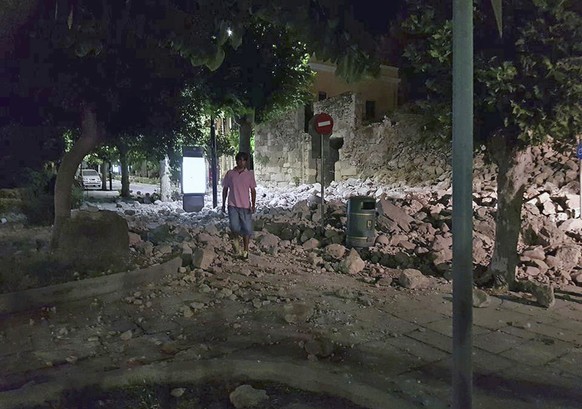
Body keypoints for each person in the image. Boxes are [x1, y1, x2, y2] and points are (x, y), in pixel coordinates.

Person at [222, 152, 256, 259]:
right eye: (239, 160)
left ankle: (246, 250)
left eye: (244, 160)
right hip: (232, 204)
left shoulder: (249, 175)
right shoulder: (230, 174)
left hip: (245, 205)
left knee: (246, 229)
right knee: (234, 227)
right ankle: (236, 245)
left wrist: (253, 205)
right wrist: (223, 204)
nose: (241, 162)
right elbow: (225, 189)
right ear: (236, 161)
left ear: (246, 162)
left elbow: (253, 190)